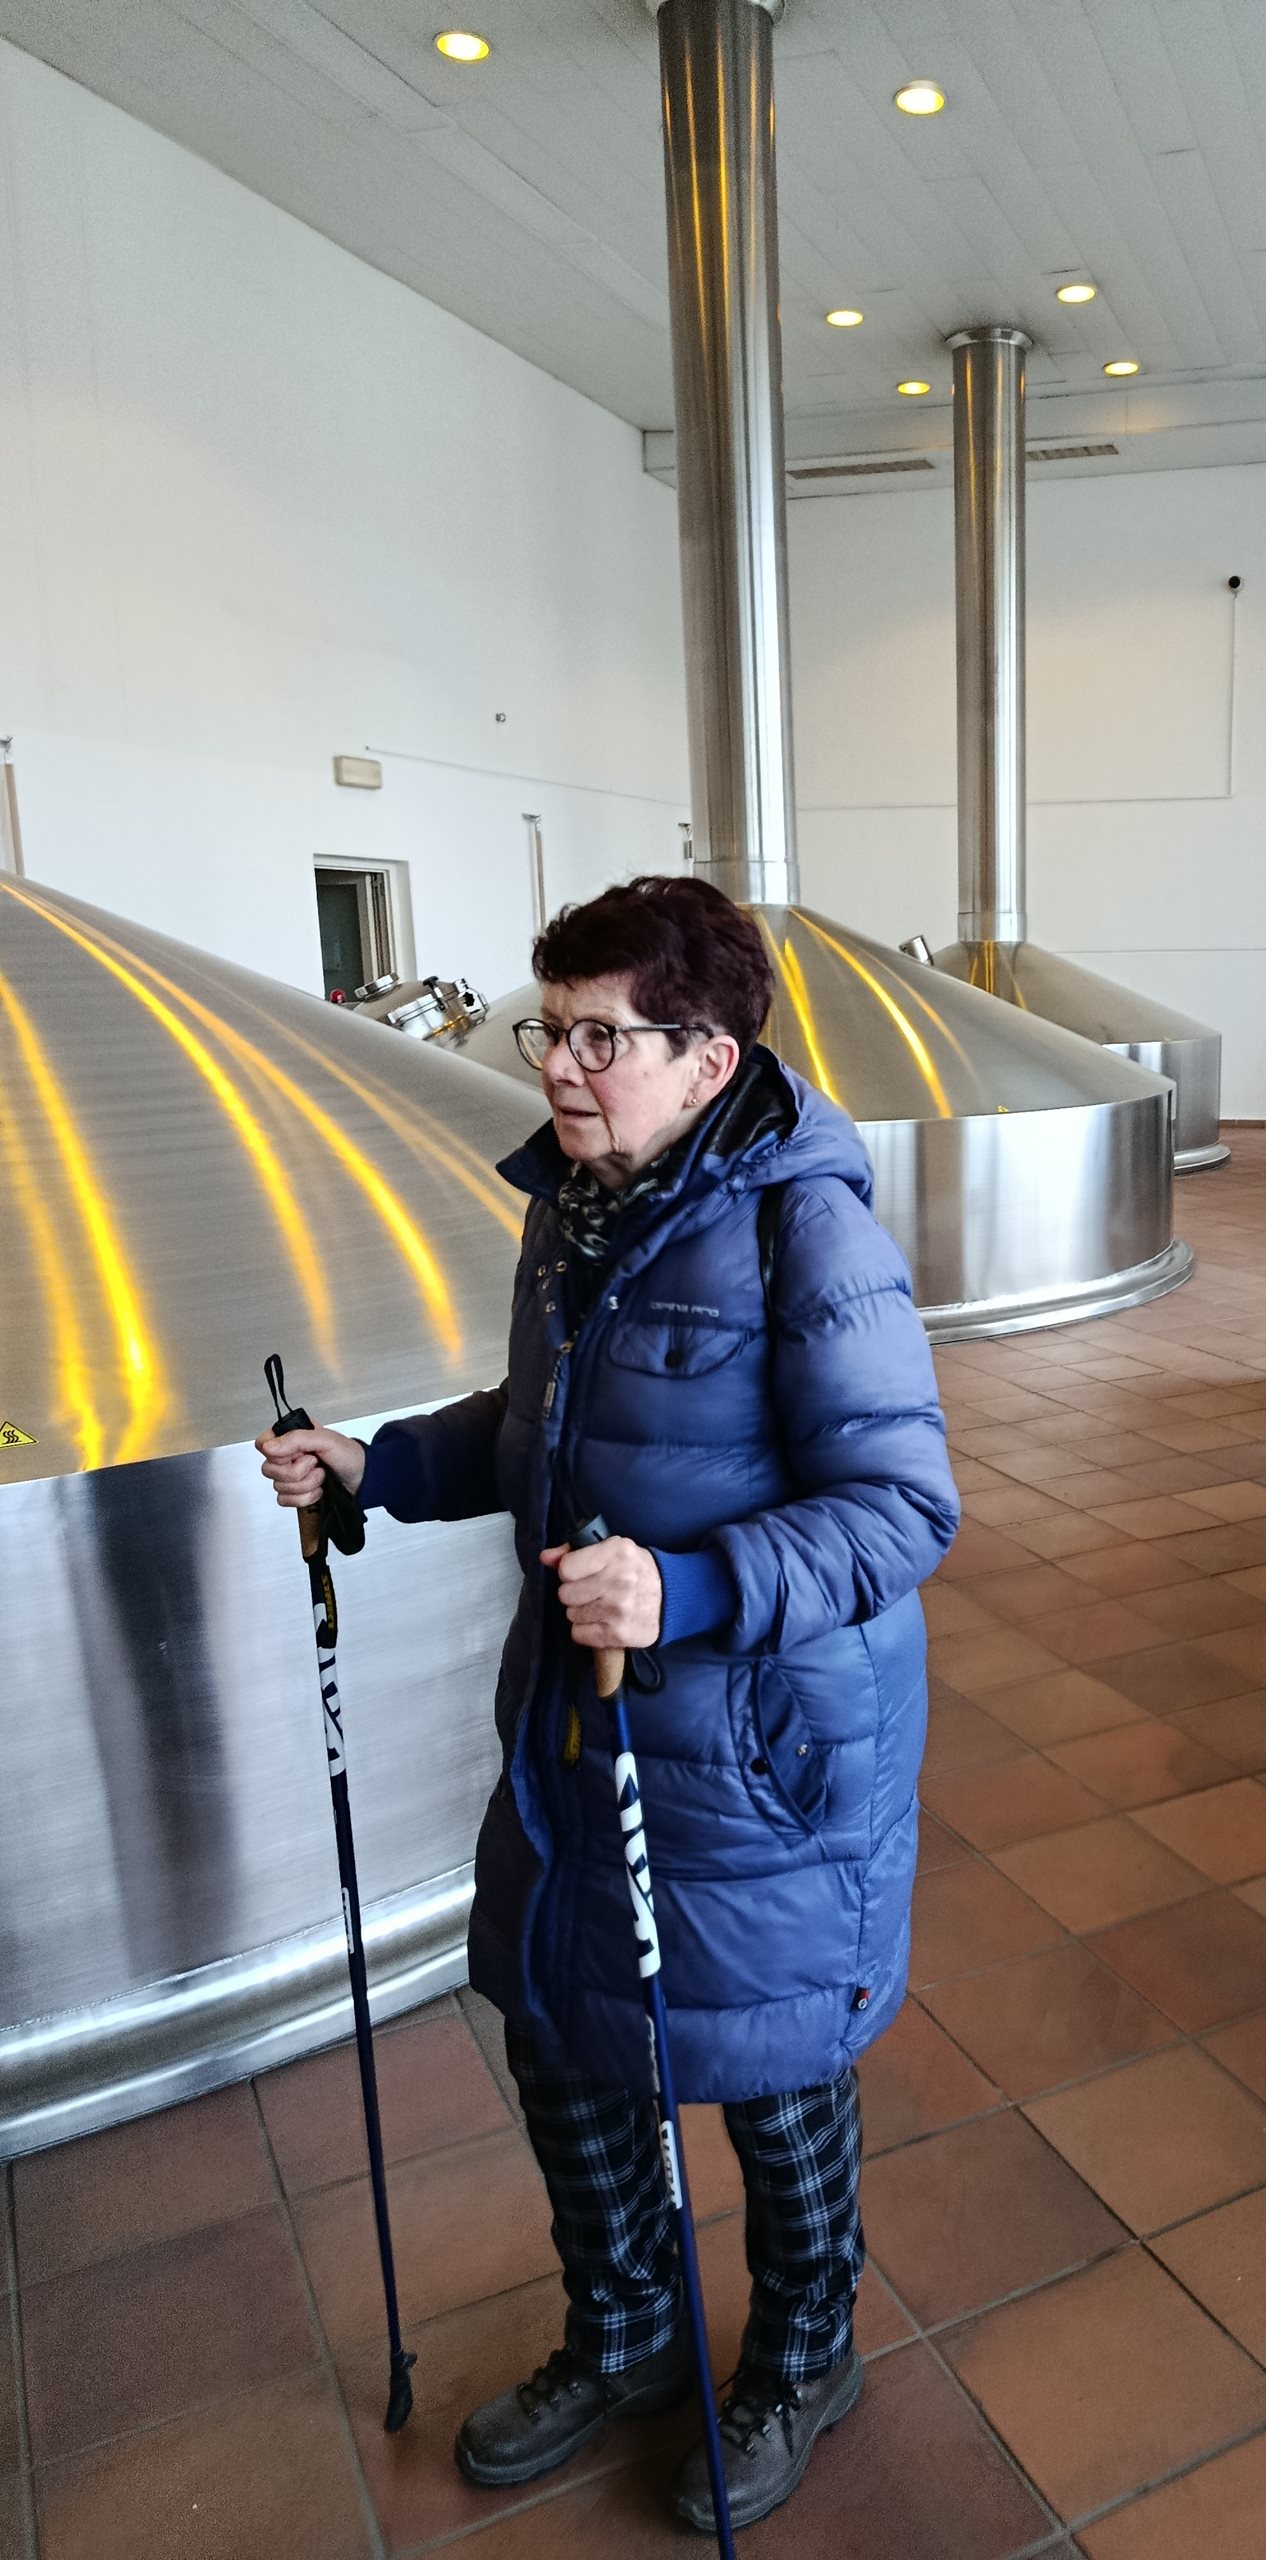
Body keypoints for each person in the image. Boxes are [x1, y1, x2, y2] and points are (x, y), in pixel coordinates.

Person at [258, 874, 959, 2532]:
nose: (562, 1068)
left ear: (709, 1059)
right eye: (550, 1031)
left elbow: (902, 1510)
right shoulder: (575, 1209)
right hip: (585, 1726)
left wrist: (687, 1588)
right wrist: (377, 1466)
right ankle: (629, 2326)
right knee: (564, 2035)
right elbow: (542, 1424)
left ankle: (806, 2353)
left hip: (761, 1748)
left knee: (772, 2064)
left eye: (600, 1039)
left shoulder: (808, 1230)